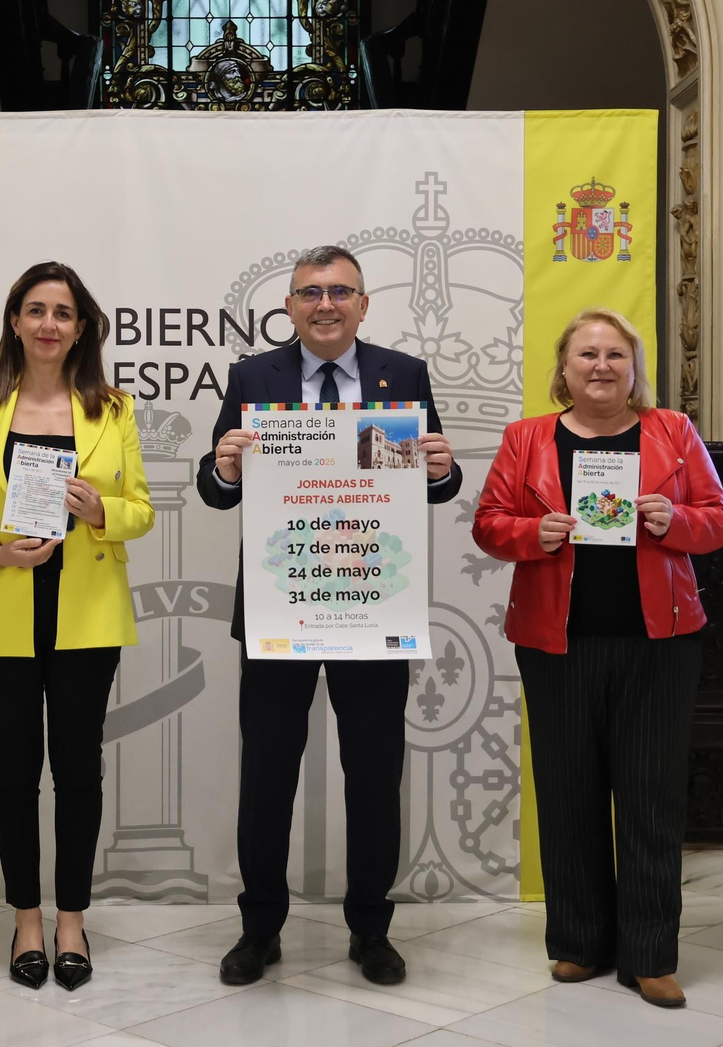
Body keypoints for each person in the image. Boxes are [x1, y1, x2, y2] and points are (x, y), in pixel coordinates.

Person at [197, 244, 461, 986]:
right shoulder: (254, 377)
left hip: (373, 602)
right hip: (282, 604)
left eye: (340, 291)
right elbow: (218, 491)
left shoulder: (402, 375)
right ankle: (259, 930)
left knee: (374, 776)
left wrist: (445, 468)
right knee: (268, 775)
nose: (325, 304)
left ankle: (371, 931)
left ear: (363, 305)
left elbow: (433, 485)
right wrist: (223, 466)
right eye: (310, 292)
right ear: (289, 307)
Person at [471, 306, 723, 1009]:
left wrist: (672, 520)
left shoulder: (672, 432)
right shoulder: (527, 439)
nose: (600, 366)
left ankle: (650, 954)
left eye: (615, 354)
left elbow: (718, 520)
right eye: (586, 354)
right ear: (563, 369)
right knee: (568, 793)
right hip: (557, 644)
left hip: (660, 643)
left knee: (650, 799)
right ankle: (581, 942)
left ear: (634, 368)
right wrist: (536, 533)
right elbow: (490, 525)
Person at [0, 261, 153, 992]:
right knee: (15, 770)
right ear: (15, 322)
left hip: (87, 615)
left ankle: (71, 921)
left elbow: (142, 509)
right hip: (2, 609)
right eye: (36, 310)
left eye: (63, 312)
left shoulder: (113, 408)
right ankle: (27, 917)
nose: (49, 324)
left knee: (80, 771)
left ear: (81, 327)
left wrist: (101, 514)